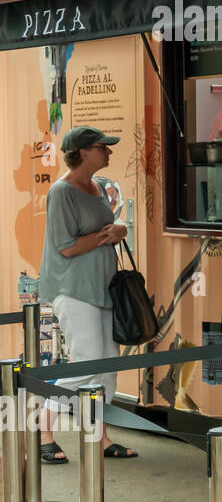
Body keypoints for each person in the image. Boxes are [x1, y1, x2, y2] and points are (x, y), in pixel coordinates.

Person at [37, 126, 137, 460]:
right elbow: (65, 247)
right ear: (82, 152)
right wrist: (106, 236)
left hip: (101, 288)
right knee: (86, 363)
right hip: (74, 289)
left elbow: (105, 229)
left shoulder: (96, 187)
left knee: (106, 365)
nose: (108, 152)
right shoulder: (61, 191)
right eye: (102, 147)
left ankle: (99, 437)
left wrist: (119, 229)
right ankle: (41, 429)